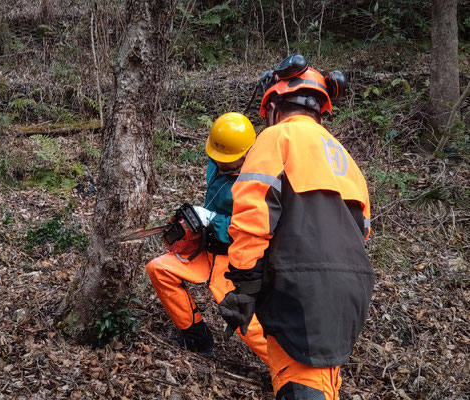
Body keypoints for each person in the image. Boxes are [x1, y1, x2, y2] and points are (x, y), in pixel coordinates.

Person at [218, 55, 374, 400]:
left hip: (299, 289)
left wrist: (244, 285)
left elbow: (252, 213)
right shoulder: (346, 159)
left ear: (274, 104)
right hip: (352, 291)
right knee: (324, 383)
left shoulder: (277, 137)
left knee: (299, 384)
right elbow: (361, 231)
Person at [146, 112, 268, 364]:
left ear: (247, 154)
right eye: (217, 159)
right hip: (207, 246)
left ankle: (294, 376)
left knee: (246, 320)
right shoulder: (218, 156)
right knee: (159, 269)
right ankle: (197, 338)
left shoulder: (258, 182)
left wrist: (213, 219)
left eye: (228, 162)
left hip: (234, 259)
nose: (220, 165)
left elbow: (250, 229)